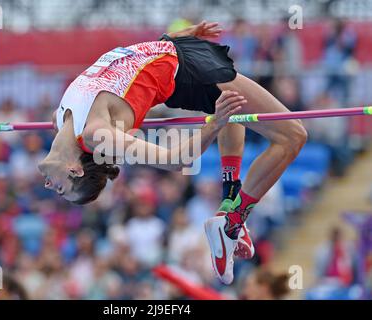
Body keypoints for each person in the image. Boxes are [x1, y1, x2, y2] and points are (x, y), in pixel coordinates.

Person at [38, 21, 307, 285]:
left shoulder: (60, 118)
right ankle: (233, 222)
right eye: (59, 189)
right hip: (187, 72)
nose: (49, 185)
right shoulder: (96, 135)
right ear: (75, 169)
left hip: (174, 52)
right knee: (293, 137)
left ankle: (229, 207)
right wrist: (215, 124)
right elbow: (176, 161)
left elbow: (119, 64)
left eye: (59, 190)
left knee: (238, 112)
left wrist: (170, 38)